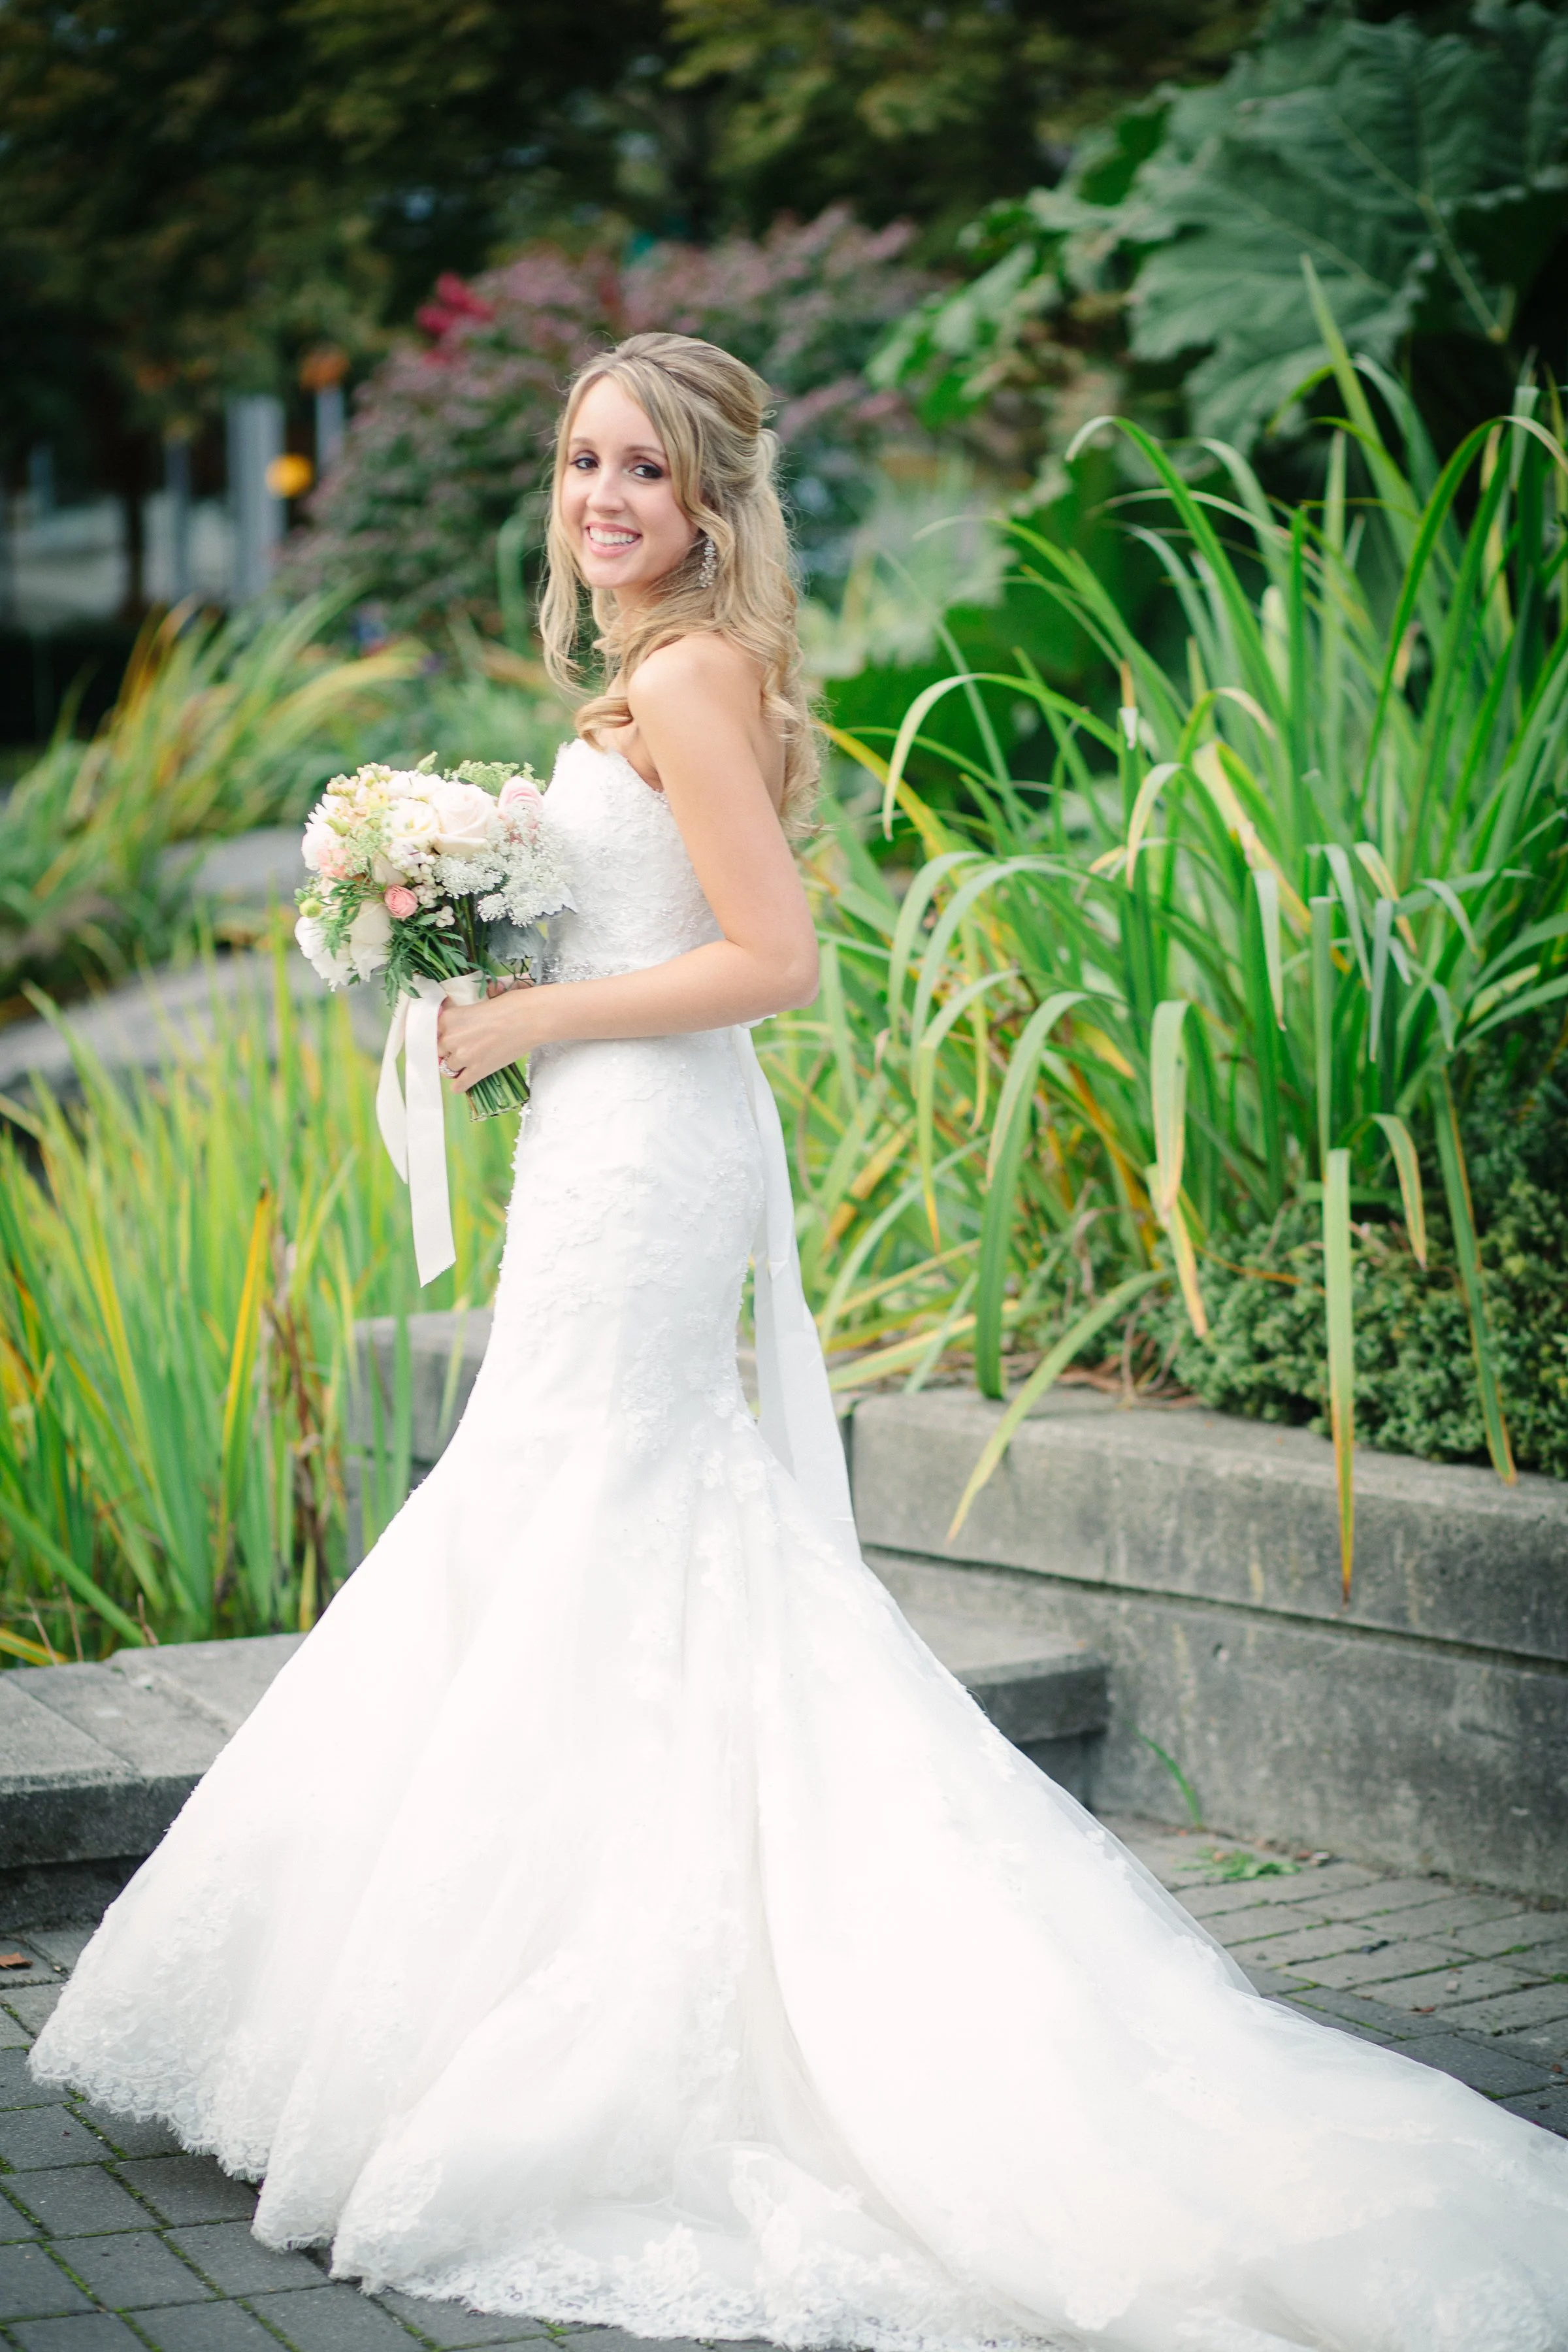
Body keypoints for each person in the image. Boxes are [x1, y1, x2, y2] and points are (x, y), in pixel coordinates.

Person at [31, 333, 1568, 2352]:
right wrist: (475, 935)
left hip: (648, 1146)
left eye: (641, 473)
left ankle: (592, 2018)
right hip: (613, 1146)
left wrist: (525, 1016)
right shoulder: (654, 674)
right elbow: (647, 922)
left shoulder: (682, 675)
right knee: (577, 1517)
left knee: (595, 1510)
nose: (600, 499)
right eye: (581, 460)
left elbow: (768, 962)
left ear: (707, 507)